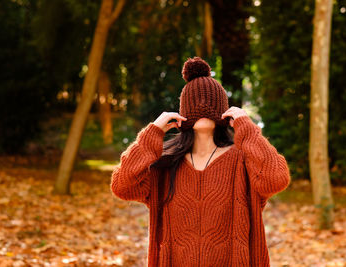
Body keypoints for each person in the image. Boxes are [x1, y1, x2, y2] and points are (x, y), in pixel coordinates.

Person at [110, 57, 291, 267]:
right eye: (196, 103)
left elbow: (277, 179)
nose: (203, 107)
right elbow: (122, 186)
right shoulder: (166, 165)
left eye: (210, 102)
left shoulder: (242, 161)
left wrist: (248, 129)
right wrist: (153, 132)